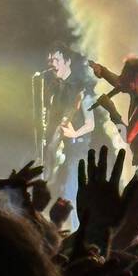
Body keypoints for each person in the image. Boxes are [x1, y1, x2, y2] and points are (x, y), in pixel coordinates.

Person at [89, 55, 138, 180]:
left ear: (136, 78)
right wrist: (102, 71)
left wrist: (112, 110)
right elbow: (119, 82)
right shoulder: (137, 92)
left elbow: (127, 137)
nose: (120, 78)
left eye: (124, 74)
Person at [44, 44, 95, 203]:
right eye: (51, 60)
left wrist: (74, 133)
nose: (53, 63)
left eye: (57, 60)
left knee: (72, 193)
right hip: (60, 151)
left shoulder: (80, 88)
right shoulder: (55, 88)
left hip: (77, 151)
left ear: (67, 62)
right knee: (58, 196)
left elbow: (90, 124)